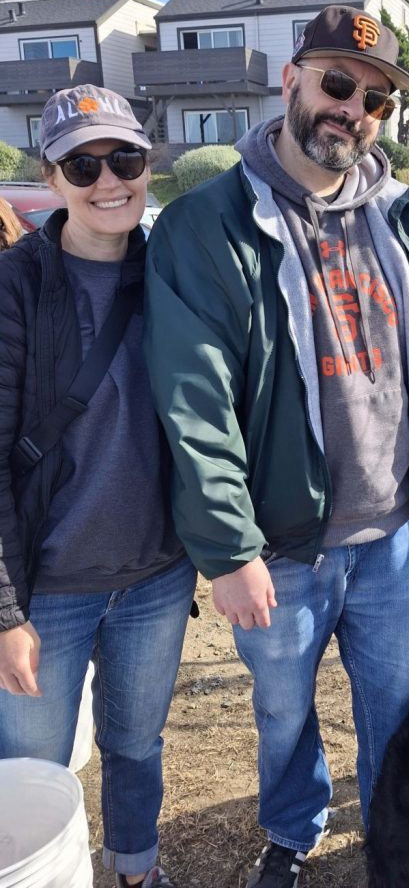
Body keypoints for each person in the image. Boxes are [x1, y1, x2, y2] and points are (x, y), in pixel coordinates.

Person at [143, 5, 409, 887]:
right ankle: (293, 834)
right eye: (336, 83)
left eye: (374, 98)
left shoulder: (398, 215)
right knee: (283, 714)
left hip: (395, 534)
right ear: (290, 80)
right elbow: (194, 401)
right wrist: (229, 548)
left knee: (401, 709)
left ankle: (397, 838)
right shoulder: (203, 226)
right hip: (282, 547)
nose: (353, 109)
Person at [0, 85, 197, 888]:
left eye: (125, 158)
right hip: (47, 588)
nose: (108, 179)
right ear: (51, 176)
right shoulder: (15, 285)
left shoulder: (175, 274)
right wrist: (5, 612)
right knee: (33, 767)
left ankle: (135, 870)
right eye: (83, 164)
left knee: (136, 743)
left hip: (156, 576)